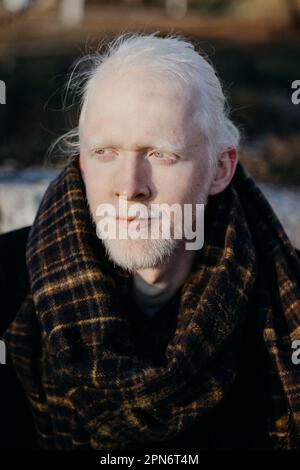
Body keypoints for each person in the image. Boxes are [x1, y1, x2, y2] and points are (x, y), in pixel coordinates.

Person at [1, 32, 300, 450]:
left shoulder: (284, 311)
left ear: (219, 169)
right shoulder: (9, 288)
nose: (129, 186)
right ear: (83, 164)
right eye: (105, 152)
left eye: (161, 154)